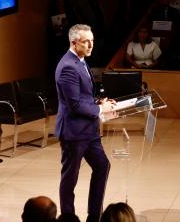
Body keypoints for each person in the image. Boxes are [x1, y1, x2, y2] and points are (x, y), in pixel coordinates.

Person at [56, 24, 113, 222]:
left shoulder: (81, 61)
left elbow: (84, 95)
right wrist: (99, 110)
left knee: (102, 166)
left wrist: (99, 102)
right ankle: (68, 217)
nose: (91, 45)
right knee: (70, 178)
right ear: (74, 42)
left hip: (89, 131)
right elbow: (74, 105)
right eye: (86, 41)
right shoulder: (67, 67)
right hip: (74, 132)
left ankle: (94, 216)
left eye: (92, 41)